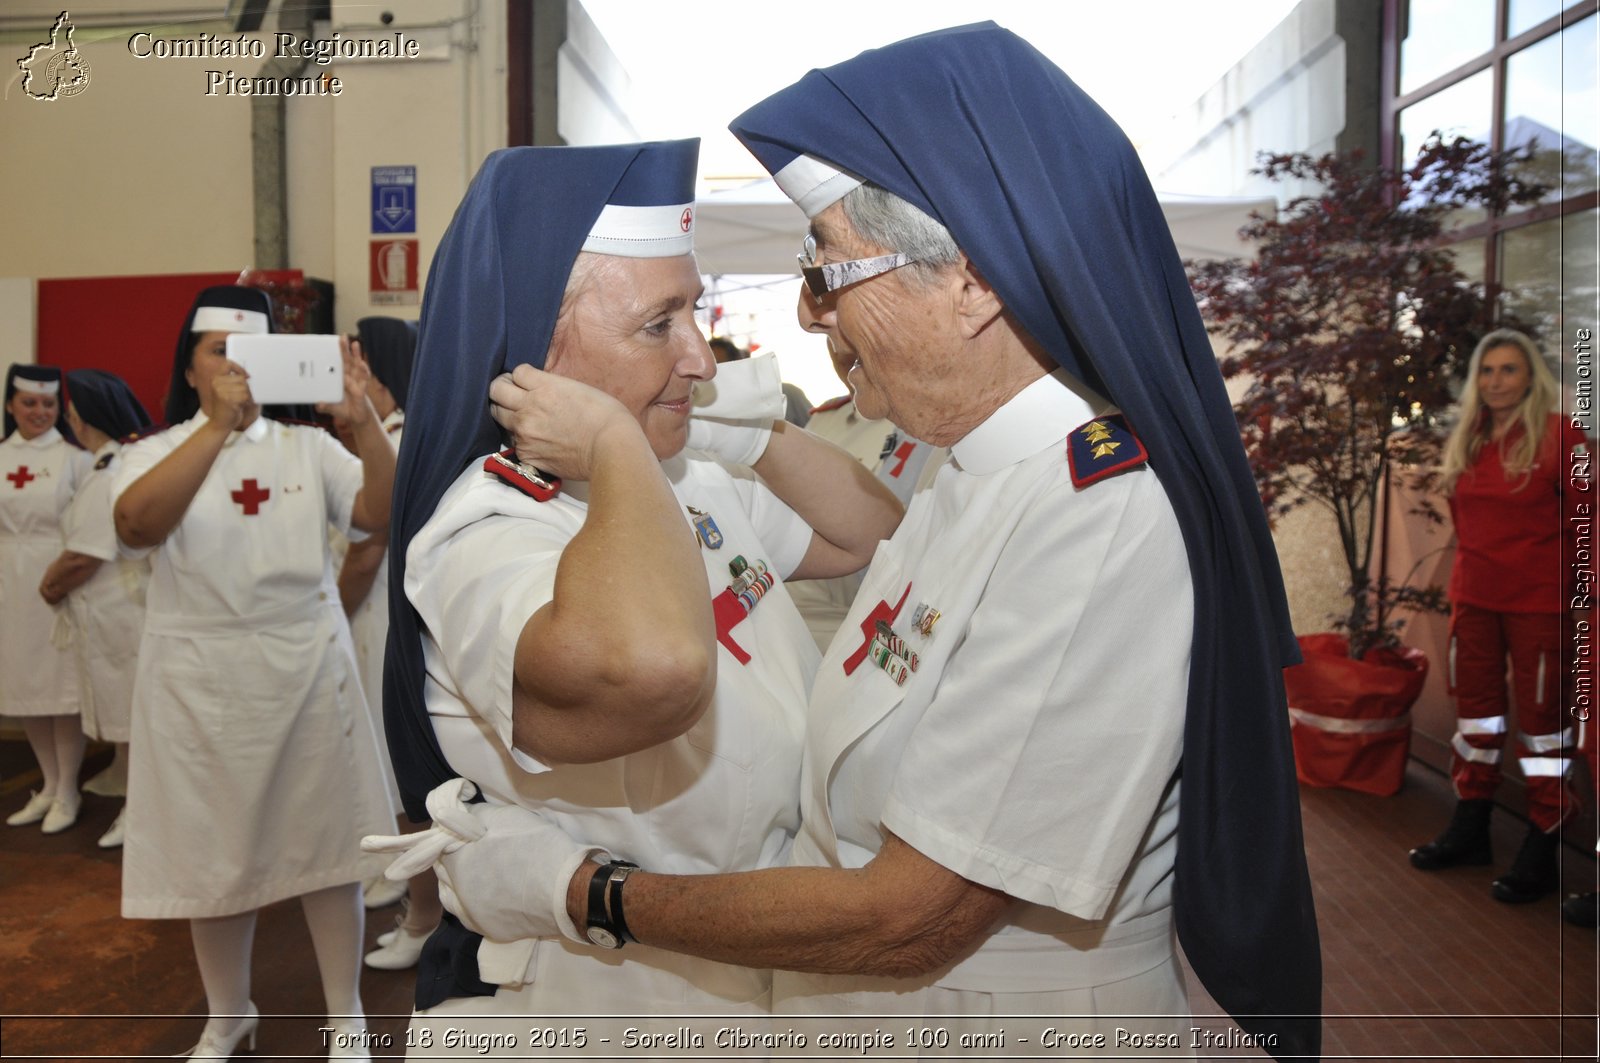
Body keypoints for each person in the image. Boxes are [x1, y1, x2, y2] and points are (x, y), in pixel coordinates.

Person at [381, 23, 1322, 1061]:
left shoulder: (1086, 506)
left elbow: (911, 912)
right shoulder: (982, 470)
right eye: (663, 323)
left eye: (825, 264)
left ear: (971, 281)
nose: (804, 309)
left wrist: (585, 892)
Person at [366, 138, 900, 1037]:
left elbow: (870, 533)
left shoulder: (690, 478)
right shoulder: (489, 530)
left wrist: (747, 438)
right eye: (660, 325)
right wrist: (614, 444)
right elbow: (656, 671)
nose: (699, 356)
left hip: (760, 966)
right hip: (604, 1001)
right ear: (538, 341)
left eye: (696, 312)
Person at [111, 286, 398, 1061]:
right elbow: (136, 525)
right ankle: (229, 1011)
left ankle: (346, 1016)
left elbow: (378, 511)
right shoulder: (151, 451)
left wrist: (363, 417)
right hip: (198, 679)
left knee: (328, 851)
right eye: (217, 353)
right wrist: (215, 431)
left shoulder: (308, 450)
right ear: (190, 367)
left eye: (250, 355)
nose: (234, 368)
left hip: (305, 667)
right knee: (215, 853)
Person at [1410, 328, 1588, 904]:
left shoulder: (1564, 437)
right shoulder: (1472, 438)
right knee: (1478, 722)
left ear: (1532, 377)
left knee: (1544, 729)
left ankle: (1543, 843)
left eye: (1509, 370)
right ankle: (1472, 828)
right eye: (1487, 372)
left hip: (1542, 606)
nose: (1495, 382)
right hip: (1476, 599)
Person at [37, 369, 152, 849]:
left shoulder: (110, 472)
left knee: (132, 718)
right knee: (127, 716)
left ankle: (140, 812)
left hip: (118, 612)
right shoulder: (118, 461)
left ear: (84, 421)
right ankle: (132, 797)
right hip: (116, 613)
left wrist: (49, 587)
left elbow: (85, 553)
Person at [2, 364, 92, 834]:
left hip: (55, 581)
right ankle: (49, 785)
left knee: (60, 690)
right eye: (29, 403)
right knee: (26, 691)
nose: (39, 412)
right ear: (10, 404)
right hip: (8, 584)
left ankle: (69, 789)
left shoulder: (74, 459)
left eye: (48, 404)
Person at [709, 335, 812, 427]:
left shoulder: (787, 393)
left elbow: (819, 434)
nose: (710, 374)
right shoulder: (707, 411)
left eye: (719, 366)